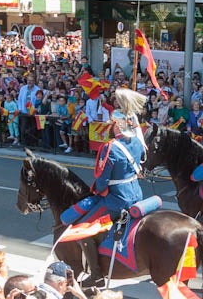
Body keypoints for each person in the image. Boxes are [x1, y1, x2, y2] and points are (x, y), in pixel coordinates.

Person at [60, 89, 149, 246]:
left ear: (117, 125)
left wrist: (96, 191)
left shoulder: (111, 147)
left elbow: (103, 180)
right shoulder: (137, 142)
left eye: (112, 124)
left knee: (84, 227)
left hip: (118, 199)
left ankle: (95, 269)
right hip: (137, 194)